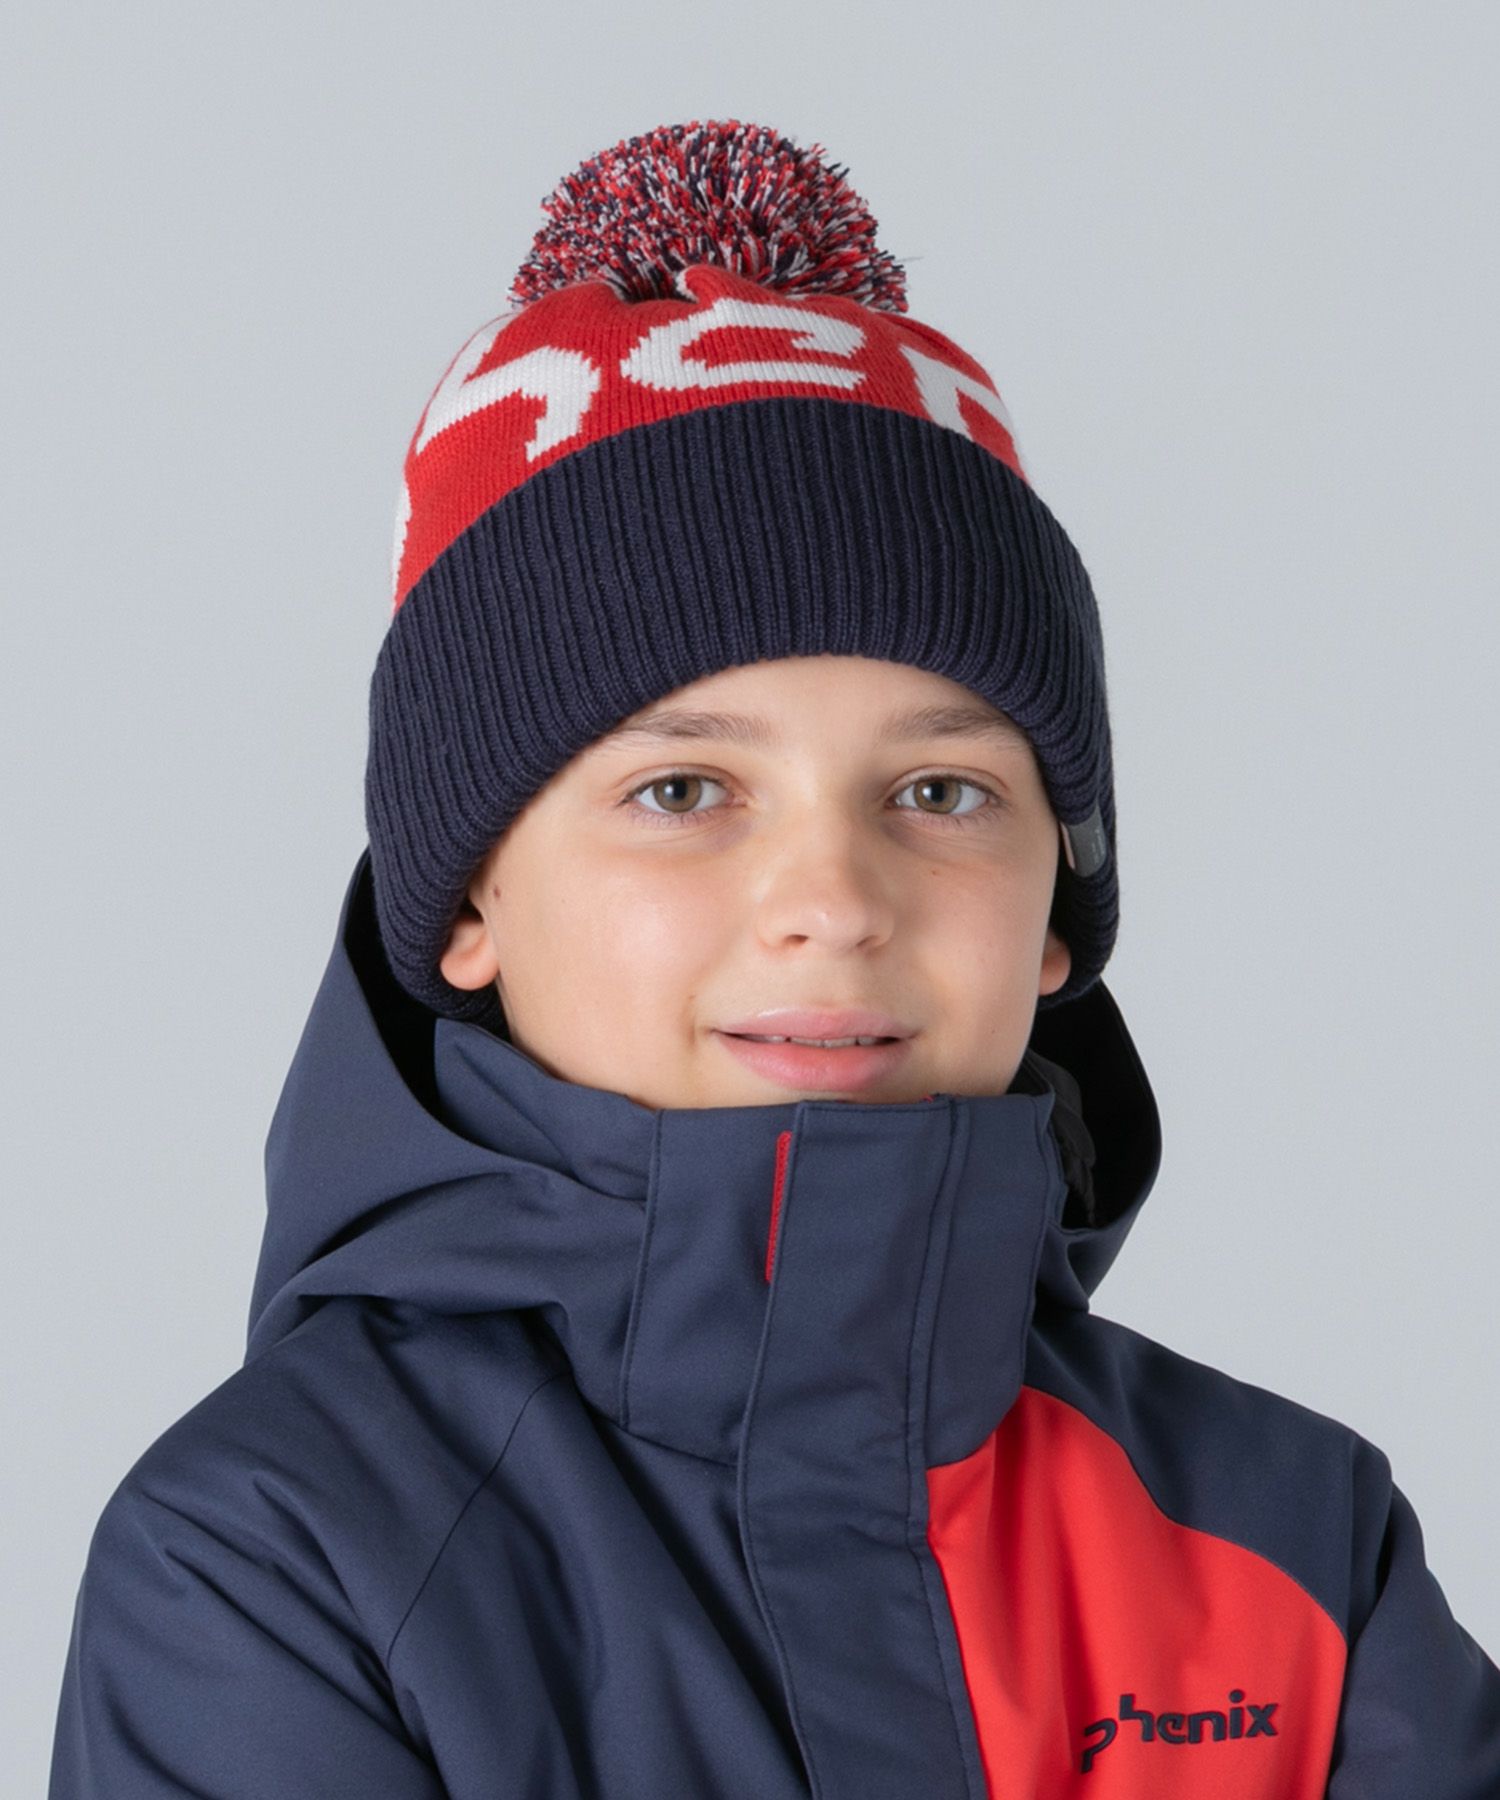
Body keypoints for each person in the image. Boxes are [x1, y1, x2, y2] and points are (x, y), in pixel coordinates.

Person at [48, 118, 1500, 1799]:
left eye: (940, 792)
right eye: (683, 791)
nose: (834, 900)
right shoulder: (280, 1555)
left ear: (1056, 912)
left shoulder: (1295, 1540)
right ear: (466, 904)